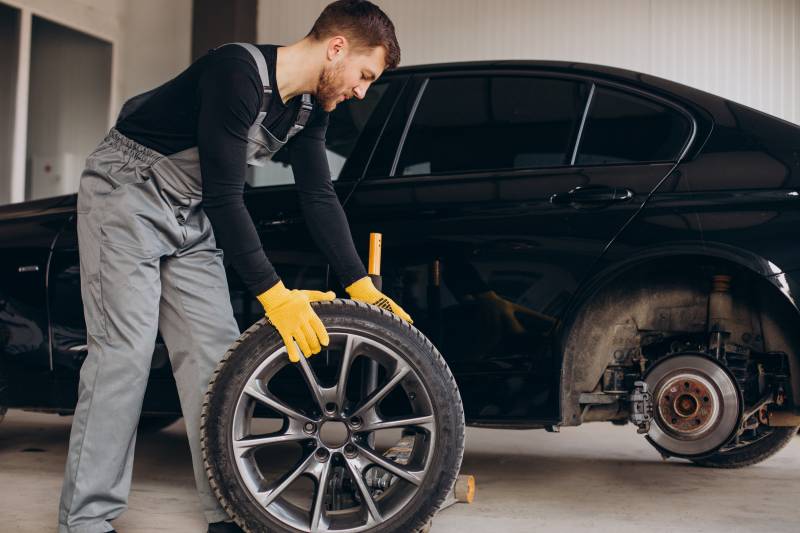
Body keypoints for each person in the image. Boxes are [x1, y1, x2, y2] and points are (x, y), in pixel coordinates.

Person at [57, 1, 410, 532]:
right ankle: (86, 520)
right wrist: (275, 296)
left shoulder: (308, 109)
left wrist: (360, 283)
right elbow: (228, 198)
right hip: (126, 196)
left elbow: (318, 196)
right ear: (337, 48)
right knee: (122, 358)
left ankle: (226, 511)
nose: (362, 90)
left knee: (216, 362)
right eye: (364, 75)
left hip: (189, 211)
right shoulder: (237, 72)